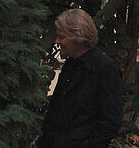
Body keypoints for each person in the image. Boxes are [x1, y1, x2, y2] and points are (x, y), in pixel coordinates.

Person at [38, 9, 123, 148]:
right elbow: (55, 112)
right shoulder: (70, 65)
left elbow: (110, 123)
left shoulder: (105, 69)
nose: (56, 41)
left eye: (61, 37)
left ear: (77, 36)